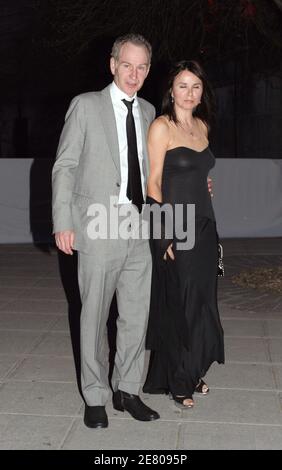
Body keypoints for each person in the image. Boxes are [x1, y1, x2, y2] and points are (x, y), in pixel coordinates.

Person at [52, 34, 160, 428]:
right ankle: (95, 395)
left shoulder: (148, 110)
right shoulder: (86, 106)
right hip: (98, 223)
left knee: (136, 315)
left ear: (148, 70)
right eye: (127, 65)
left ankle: (127, 389)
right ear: (112, 64)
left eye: (142, 66)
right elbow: (64, 166)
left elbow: (154, 170)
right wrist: (63, 221)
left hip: (138, 224)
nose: (134, 74)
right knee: (94, 316)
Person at [143, 60, 224, 409]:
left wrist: (203, 185)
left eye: (195, 86)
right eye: (182, 86)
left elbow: (197, 172)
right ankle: (179, 382)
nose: (189, 93)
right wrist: (164, 236)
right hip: (177, 226)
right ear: (171, 90)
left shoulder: (203, 125)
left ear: (202, 91)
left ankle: (192, 370)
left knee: (204, 303)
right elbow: (154, 182)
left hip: (206, 225)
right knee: (184, 305)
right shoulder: (162, 126)